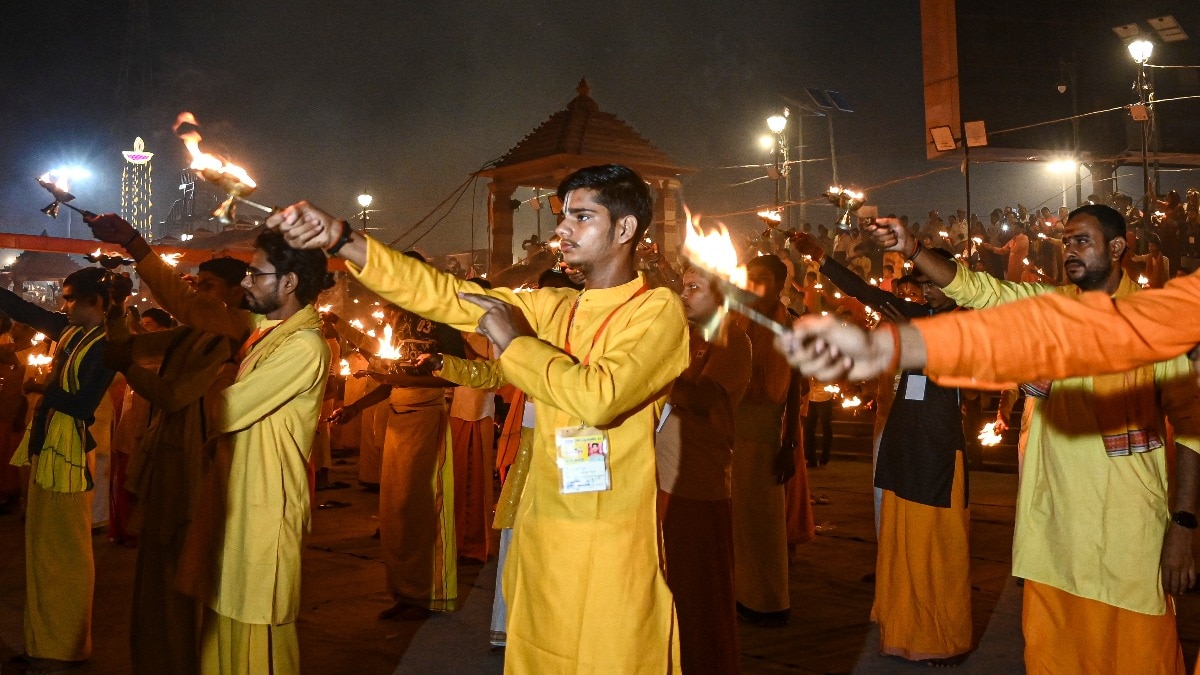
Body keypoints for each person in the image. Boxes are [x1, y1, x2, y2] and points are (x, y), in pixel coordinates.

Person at [268, 164, 690, 672]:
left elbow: (599, 399)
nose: (562, 229)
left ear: (624, 229)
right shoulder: (553, 306)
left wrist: (516, 343)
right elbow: (442, 295)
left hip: (611, 542)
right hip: (542, 534)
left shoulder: (657, 311)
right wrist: (342, 239)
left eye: (582, 217)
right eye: (564, 216)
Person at [783, 205, 1200, 673]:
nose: (1070, 251)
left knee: (1141, 658)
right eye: (1066, 242)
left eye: (1082, 241)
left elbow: (1191, 430)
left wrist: (1183, 526)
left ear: (1118, 247)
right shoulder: (1048, 308)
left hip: (1127, 533)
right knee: (1052, 656)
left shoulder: (1154, 321)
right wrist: (913, 249)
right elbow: (980, 289)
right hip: (1052, 533)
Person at [87, 215, 331, 674]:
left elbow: (223, 408)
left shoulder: (300, 344)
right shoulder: (260, 328)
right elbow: (178, 310)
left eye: (257, 274)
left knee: (257, 627)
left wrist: (202, 380)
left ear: (291, 282)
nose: (248, 283)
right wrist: (134, 254)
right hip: (230, 491)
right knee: (222, 622)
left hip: (258, 499)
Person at [792, 233, 972, 663]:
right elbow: (867, 293)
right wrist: (824, 260)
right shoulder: (917, 313)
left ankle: (940, 637)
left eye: (933, 282)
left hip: (938, 446)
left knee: (935, 543)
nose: (926, 290)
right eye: (922, 283)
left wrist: (917, 339)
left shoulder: (969, 319)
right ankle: (900, 624)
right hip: (902, 438)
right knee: (898, 533)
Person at [104, 257, 244, 675]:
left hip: (195, 467)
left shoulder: (227, 341)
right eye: (196, 283)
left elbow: (173, 395)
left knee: (184, 577)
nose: (197, 293)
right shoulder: (187, 335)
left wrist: (125, 366)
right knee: (156, 578)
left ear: (236, 294)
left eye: (209, 285)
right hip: (165, 460)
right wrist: (115, 308)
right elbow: (130, 346)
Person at [3, 267, 123, 672]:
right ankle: (45, 641)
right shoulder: (69, 331)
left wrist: (40, 388)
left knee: (65, 552)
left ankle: (67, 645)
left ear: (98, 303)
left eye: (71, 299)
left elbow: (82, 403)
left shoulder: (107, 344)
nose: (63, 305)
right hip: (50, 445)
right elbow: (22, 308)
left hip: (68, 454)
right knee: (42, 550)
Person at [326, 293, 465, 619]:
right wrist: (355, 408)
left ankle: (430, 594)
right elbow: (389, 379)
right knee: (394, 512)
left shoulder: (442, 322)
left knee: (417, 508)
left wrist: (398, 378)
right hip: (398, 420)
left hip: (426, 418)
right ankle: (405, 591)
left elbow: (458, 373)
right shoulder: (399, 326)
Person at [656, 266, 751, 674]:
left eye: (694, 288)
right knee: (665, 585)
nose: (684, 294)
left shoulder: (732, 342)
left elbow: (700, 401)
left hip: (698, 483)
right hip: (661, 479)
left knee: (697, 592)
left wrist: (652, 376)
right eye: (683, 286)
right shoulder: (686, 338)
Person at [731, 253, 806, 625]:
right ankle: (740, 594)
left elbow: (794, 390)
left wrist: (790, 444)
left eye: (764, 278)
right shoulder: (738, 318)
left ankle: (770, 601)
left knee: (765, 521)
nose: (756, 285)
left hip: (765, 428)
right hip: (731, 426)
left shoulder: (789, 327)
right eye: (752, 277)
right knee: (736, 519)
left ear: (780, 284)